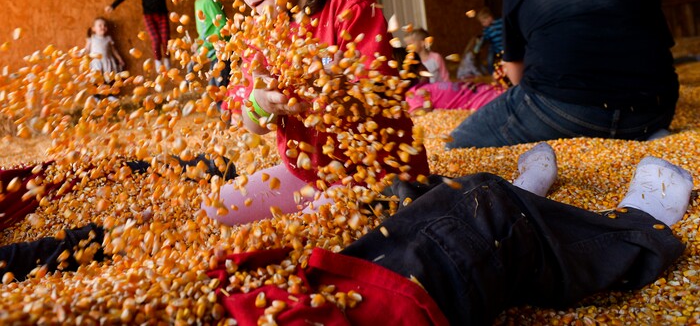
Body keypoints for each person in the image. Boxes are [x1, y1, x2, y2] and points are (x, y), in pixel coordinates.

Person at [209, 144, 694, 325]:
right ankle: (640, 224)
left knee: (396, 195)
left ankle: (523, 194)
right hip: (387, 303)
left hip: (302, 283)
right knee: (488, 207)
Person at [201, 0, 430, 226]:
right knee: (215, 208)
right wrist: (262, 100)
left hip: (379, 175)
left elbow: (380, 94)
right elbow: (249, 122)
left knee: (313, 227)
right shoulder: (259, 32)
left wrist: (338, 87)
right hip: (309, 174)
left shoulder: (348, 5)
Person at [447, 0, 679, 149]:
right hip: (655, 109)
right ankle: (648, 138)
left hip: (563, 111)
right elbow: (663, 47)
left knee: (454, 144)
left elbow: (516, 73)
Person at [104, 0, 171, 72]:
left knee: (165, 39)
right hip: (149, 16)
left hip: (162, 14)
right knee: (156, 40)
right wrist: (113, 5)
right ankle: (158, 61)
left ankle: (167, 60)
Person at [172, 0, 230, 88]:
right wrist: (198, 43)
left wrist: (206, 45)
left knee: (220, 91)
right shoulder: (198, 2)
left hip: (222, 54)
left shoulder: (208, 0)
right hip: (214, 54)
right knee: (213, 89)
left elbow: (223, 26)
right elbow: (206, 31)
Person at [85, 17, 125, 82]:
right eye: (100, 25)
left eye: (105, 25)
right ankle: (97, 91)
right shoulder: (92, 38)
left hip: (107, 62)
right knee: (96, 79)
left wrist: (119, 59)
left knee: (108, 79)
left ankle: (108, 89)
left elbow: (114, 50)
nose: (103, 27)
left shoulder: (108, 38)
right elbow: (87, 49)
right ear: (94, 29)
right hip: (96, 62)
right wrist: (84, 58)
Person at [473, 7, 504, 74]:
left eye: (483, 22)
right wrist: (477, 48)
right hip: (495, 48)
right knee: (490, 59)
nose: (482, 24)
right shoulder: (486, 29)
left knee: (506, 60)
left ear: (489, 18)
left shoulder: (500, 22)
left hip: (504, 46)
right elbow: (484, 38)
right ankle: (492, 73)